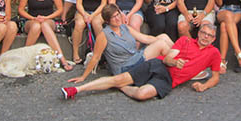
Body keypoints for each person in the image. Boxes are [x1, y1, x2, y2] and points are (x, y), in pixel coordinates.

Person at [61, 21, 221, 101]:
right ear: (198, 33)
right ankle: (77, 90)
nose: (205, 37)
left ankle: (122, 87)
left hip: (169, 81)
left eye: (209, 35)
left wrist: (204, 86)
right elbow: (168, 58)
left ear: (214, 39)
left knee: (142, 94)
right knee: (118, 78)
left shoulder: (214, 53)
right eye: (203, 33)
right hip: (158, 66)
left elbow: (215, 77)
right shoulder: (185, 41)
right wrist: (174, 62)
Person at [68, 4, 173, 82]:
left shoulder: (124, 27)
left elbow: (145, 38)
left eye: (118, 14)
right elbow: (96, 57)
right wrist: (83, 77)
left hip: (135, 57)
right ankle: (180, 67)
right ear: (107, 21)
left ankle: (183, 58)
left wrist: (160, 39)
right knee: (161, 45)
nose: (118, 18)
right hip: (124, 67)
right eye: (114, 17)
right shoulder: (104, 35)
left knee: (163, 37)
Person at [17, 0, 74, 71]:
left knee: (44, 24)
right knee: (36, 26)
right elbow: (21, 10)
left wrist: (46, 18)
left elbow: (60, 9)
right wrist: (33, 18)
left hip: (48, 20)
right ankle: (24, 58)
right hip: (31, 20)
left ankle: (62, 59)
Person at [71, 0, 109, 64]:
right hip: (83, 10)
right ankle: (75, 53)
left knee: (96, 23)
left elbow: (103, 4)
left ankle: (102, 53)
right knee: (79, 24)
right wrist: (84, 14)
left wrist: (92, 16)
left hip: (98, 11)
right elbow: (78, 3)